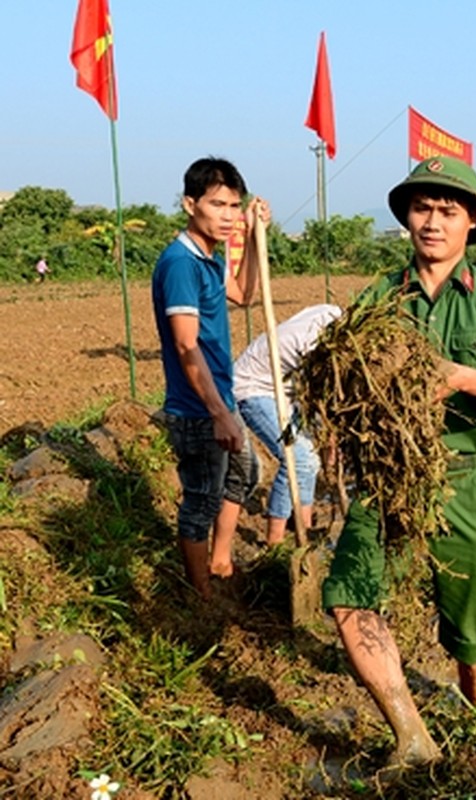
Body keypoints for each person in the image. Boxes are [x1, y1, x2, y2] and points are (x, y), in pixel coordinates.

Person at [322, 157, 476, 767]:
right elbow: (349, 383)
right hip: (388, 477)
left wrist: (460, 377)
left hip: (470, 479)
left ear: (472, 223)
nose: (433, 222)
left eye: (448, 211)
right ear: (407, 219)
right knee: (349, 596)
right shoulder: (379, 298)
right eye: (422, 209)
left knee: (471, 635)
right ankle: (412, 736)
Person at [151, 157, 267, 597]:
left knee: (244, 474)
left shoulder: (209, 259)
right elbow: (185, 345)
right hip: (198, 407)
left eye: (234, 206)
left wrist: (254, 239)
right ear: (189, 204)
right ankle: (200, 594)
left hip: (221, 395)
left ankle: (220, 560)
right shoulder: (180, 263)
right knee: (201, 498)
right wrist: (219, 414)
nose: (228, 215)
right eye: (217, 204)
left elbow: (245, 293)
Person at [233, 304, 342, 546]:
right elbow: (318, 398)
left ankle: (303, 528)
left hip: (283, 392)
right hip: (255, 391)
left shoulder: (332, 313)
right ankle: (275, 541)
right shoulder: (316, 348)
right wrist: (330, 437)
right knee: (297, 458)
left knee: (309, 457)